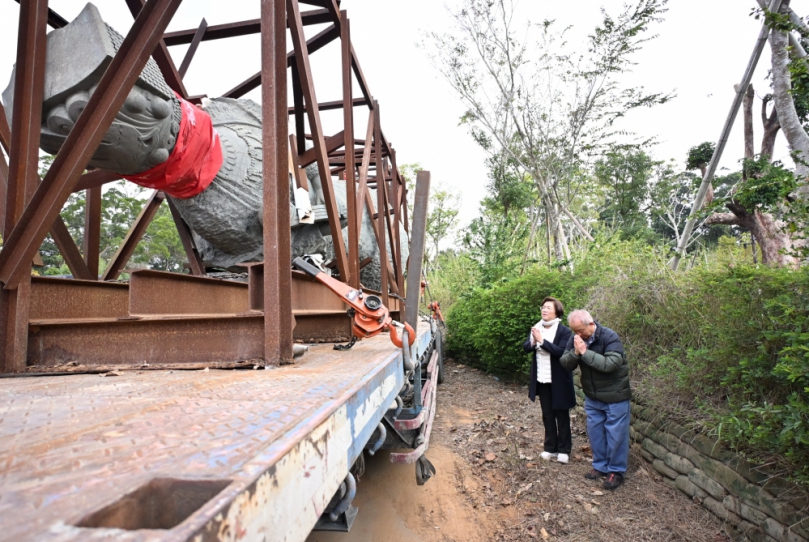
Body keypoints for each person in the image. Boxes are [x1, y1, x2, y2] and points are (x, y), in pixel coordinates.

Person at [560, 309, 631, 491]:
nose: (578, 335)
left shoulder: (609, 337)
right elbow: (565, 363)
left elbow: (610, 365)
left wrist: (584, 352)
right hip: (593, 397)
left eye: (580, 331)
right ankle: (600, 466)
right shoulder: (576, 338)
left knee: (616, 436)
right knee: (596, 434)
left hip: (615, 397)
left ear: (591, 324)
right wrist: (576, 352)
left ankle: (616, 471)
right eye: (574, 331)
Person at [523, 297, 575, 464]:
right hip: (541, 379)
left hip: (559, 380)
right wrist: (533, 341)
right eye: (543, 307)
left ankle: (564, 449)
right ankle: (550, 447)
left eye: (548, 308)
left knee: (562, 414)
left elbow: (561, 352)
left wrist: (542, 341)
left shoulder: (564, 331)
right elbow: (525, 347)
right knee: (547, 414)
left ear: (556, 311)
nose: (544, 310)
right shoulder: (536, 327)